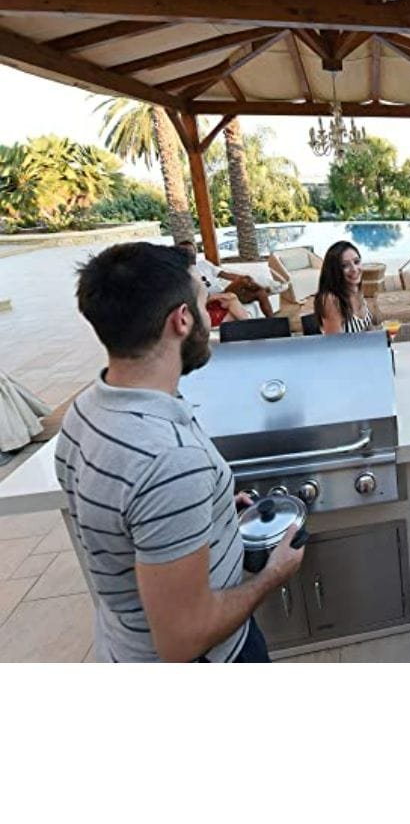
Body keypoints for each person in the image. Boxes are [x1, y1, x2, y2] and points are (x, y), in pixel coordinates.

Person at [54, 242, 305, 662]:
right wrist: (273, 575)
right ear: (182, 319)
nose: (209, 315)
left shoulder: (87, 409)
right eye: (205, 303)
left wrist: (212, 511)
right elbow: (183, 639)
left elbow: (129, 521)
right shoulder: (168, 460)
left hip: (123, 644)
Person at [177, 240, 275, 320]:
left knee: (260, 292)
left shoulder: (204, 264)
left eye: (191, 251)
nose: (188, 254)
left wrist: (246, 279)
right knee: (242, 283)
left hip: (223, 292)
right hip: (210, 299)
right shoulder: (180, 272)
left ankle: (272, 322)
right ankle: (269, 288)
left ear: (195, 252)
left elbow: (226, 275)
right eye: (184, 251)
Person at [313, 240, 379, 334]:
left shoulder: (355, 289)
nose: (354, 269)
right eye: (345, 266)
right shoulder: (331, 300)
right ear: (334, 270)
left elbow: (367, 327)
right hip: (345, 344)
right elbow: (335, 341)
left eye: (356, 262)